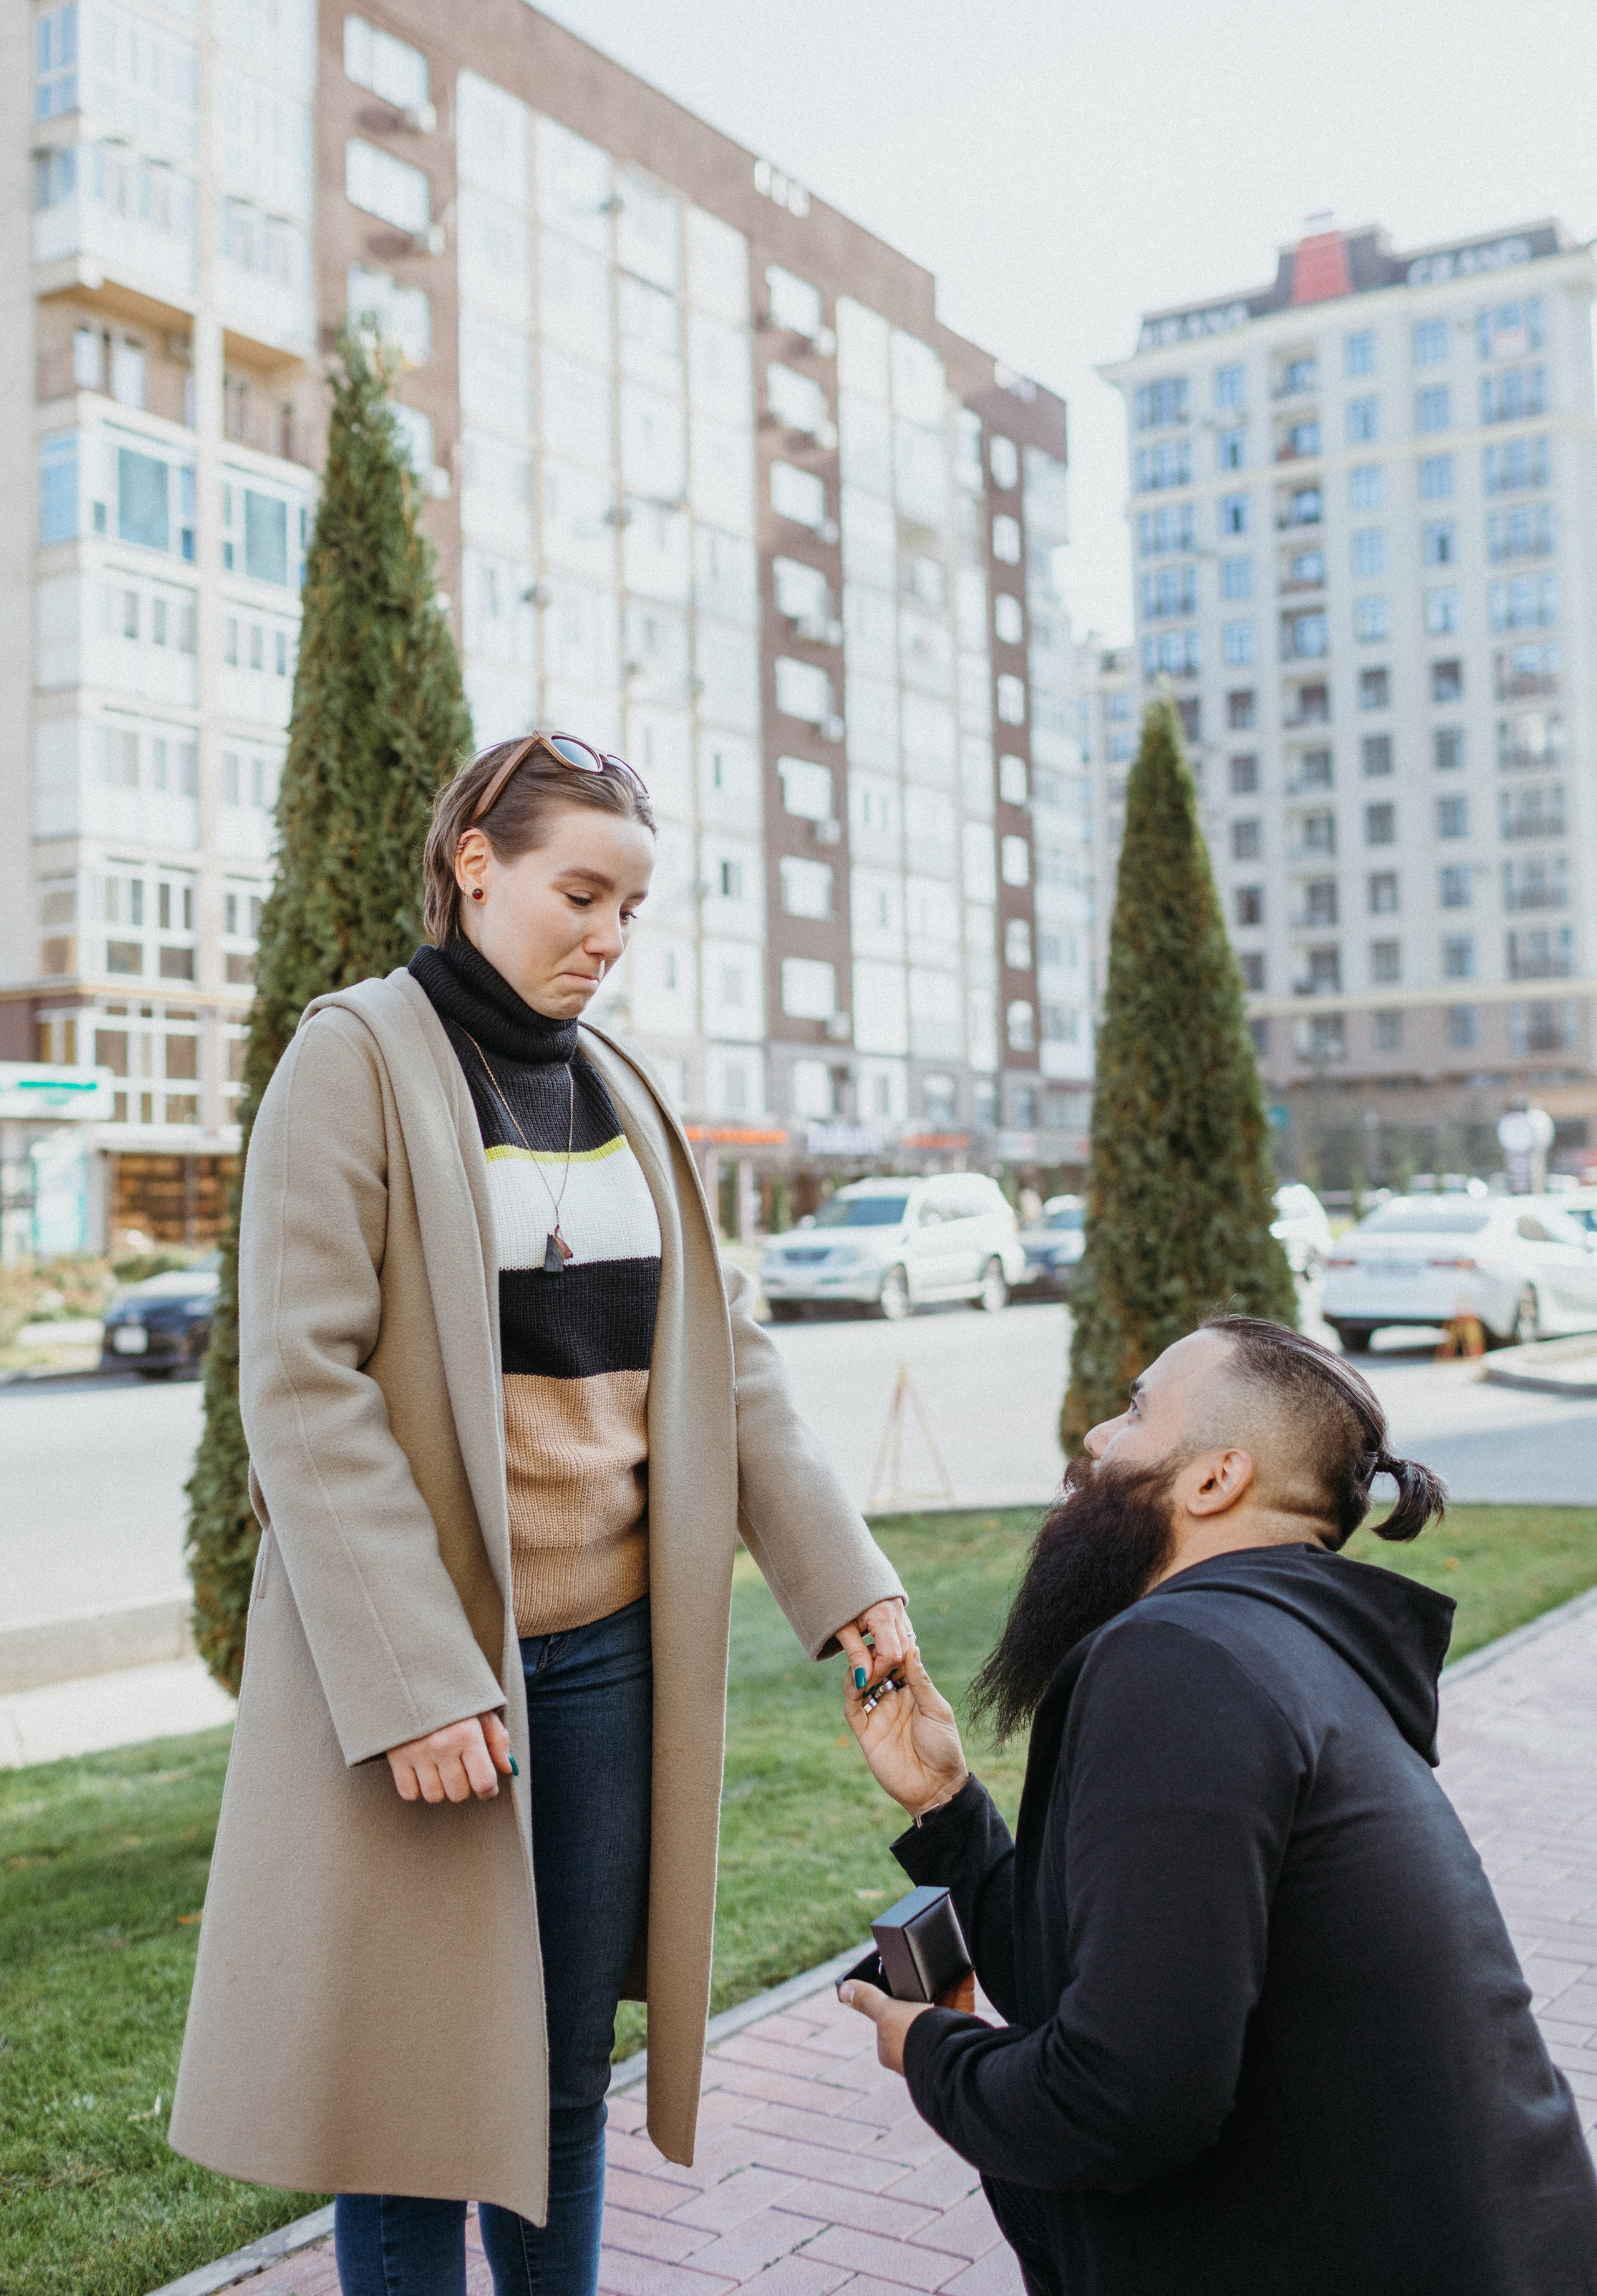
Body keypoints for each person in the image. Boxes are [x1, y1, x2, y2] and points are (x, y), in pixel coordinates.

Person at [170, 732, 911, 2296]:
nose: (606, 938)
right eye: (581, 894)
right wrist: (423, 1681)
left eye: (632, 910)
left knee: (563, 2076)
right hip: (437, 1687)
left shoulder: (621, 1089)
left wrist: (848, 1584)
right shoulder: (354, 1055)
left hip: (611, 1664)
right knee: (412, 2105)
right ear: (474, 866)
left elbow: (729, 1365)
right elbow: (301, 1390)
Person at [839, 1315, 1597, 2296]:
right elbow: (1118, 1994)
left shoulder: (1184, 1662)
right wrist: (945, 1801)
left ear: (1214, 1479)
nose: (1097, 1440)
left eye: (1138, 1411)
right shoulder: (1280, 1650)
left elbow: (1121, 2103)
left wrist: (932, 2053)